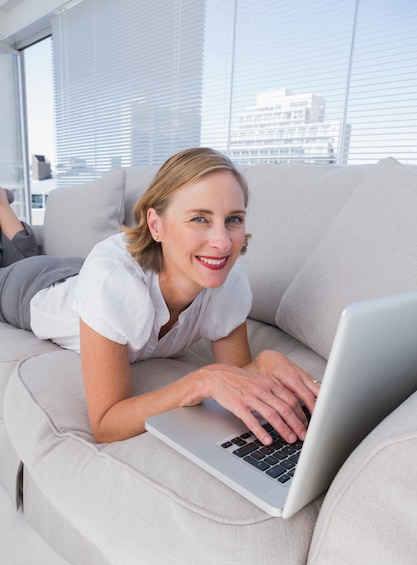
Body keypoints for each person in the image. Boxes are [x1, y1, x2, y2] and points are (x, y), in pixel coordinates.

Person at [0, 148, 319, 445]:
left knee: (31, 254)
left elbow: (236, 378)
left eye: (233, 219)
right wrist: (199, 382)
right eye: (199, 218)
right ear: (156, 225)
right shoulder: (113, 283)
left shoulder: (227, 280)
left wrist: (263, 363)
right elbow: (107, 423)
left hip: (84, 272)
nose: (223, 243)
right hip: (34, 288)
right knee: (23, 259)